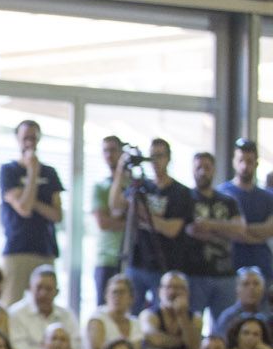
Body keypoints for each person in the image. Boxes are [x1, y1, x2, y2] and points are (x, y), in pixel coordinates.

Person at [112, 137, 193, 312]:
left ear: (168, 158)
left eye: (159, 156)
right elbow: (116, 207)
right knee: (131, 311)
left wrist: (143, 213)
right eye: (152, 156)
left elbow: (172, 229)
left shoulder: (181, 192)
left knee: (164, 312)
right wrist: (120, 170)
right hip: (138, 260)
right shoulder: (141, 187)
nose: (155, 161)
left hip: (166, 263)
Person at [0, 119, 64, 305]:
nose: (29, 142)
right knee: (11, 302)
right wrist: (33, 172)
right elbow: (24, 210)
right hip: (17, 248)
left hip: (45, 248)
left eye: (33, 138)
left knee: (44, 304)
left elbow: (57, 215)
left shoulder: (50, 173)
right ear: (17, 139)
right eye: (26, 137)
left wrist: (27, 197)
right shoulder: (8, 171)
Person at [182, 151, 243, 325]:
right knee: (193, 325)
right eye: (198, 167)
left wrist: (210, 224)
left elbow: (239, 229)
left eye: (207, 167)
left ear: (214, 170)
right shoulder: (185, 198)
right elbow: (190, 230)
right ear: (192, 170)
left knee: (226, 326)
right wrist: (225, 229)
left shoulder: (228, 201)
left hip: (225, 274)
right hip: (194, 274)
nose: (202, 172)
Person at [218, 137, 273, 281]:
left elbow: (270, 229)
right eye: (241, 160)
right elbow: (221, 230)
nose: (244, 166)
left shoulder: (268, 197)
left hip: (263, 268)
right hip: (230, 267)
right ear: (234, 162)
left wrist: (237, 229)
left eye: (249, 161)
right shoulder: (221, 194)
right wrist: (257, 235)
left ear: (256, 163)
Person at [7, 264, 78, 349]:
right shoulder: (16, 313)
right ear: (30, 288)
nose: (43, 293)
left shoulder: (67, 315)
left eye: (48, 289)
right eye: (39, 288)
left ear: (57, 292)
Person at [90, 134, 128, 302]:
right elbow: (103, 222)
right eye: (105, 151)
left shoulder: (134, 185)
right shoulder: (100, 187)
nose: (109, 155)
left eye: (113, 150)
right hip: (106, 258)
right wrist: (129, 223)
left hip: (131, 259)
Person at [139, 271, 201, 349]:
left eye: (178, 288)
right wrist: (182, 340)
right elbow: (155, 340)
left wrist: (182, 316)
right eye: (168, 287)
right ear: (160, 291)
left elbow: (194, 348)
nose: (172, 292)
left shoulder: (195, 318)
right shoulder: (148, 315)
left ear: (187, 292)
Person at [84, 273, 143, 349]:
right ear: (106, 296)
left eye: (122, 292)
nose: (117, 296)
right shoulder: (97, 319)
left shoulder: (136, 323)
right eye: (114, 292)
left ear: (131, 298)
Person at [213, 265, 271, 336]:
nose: (251, 288)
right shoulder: (228, 318)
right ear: (237, 289)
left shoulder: (269, 317)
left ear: (263, 289)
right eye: (246, 284)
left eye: (256, 284)